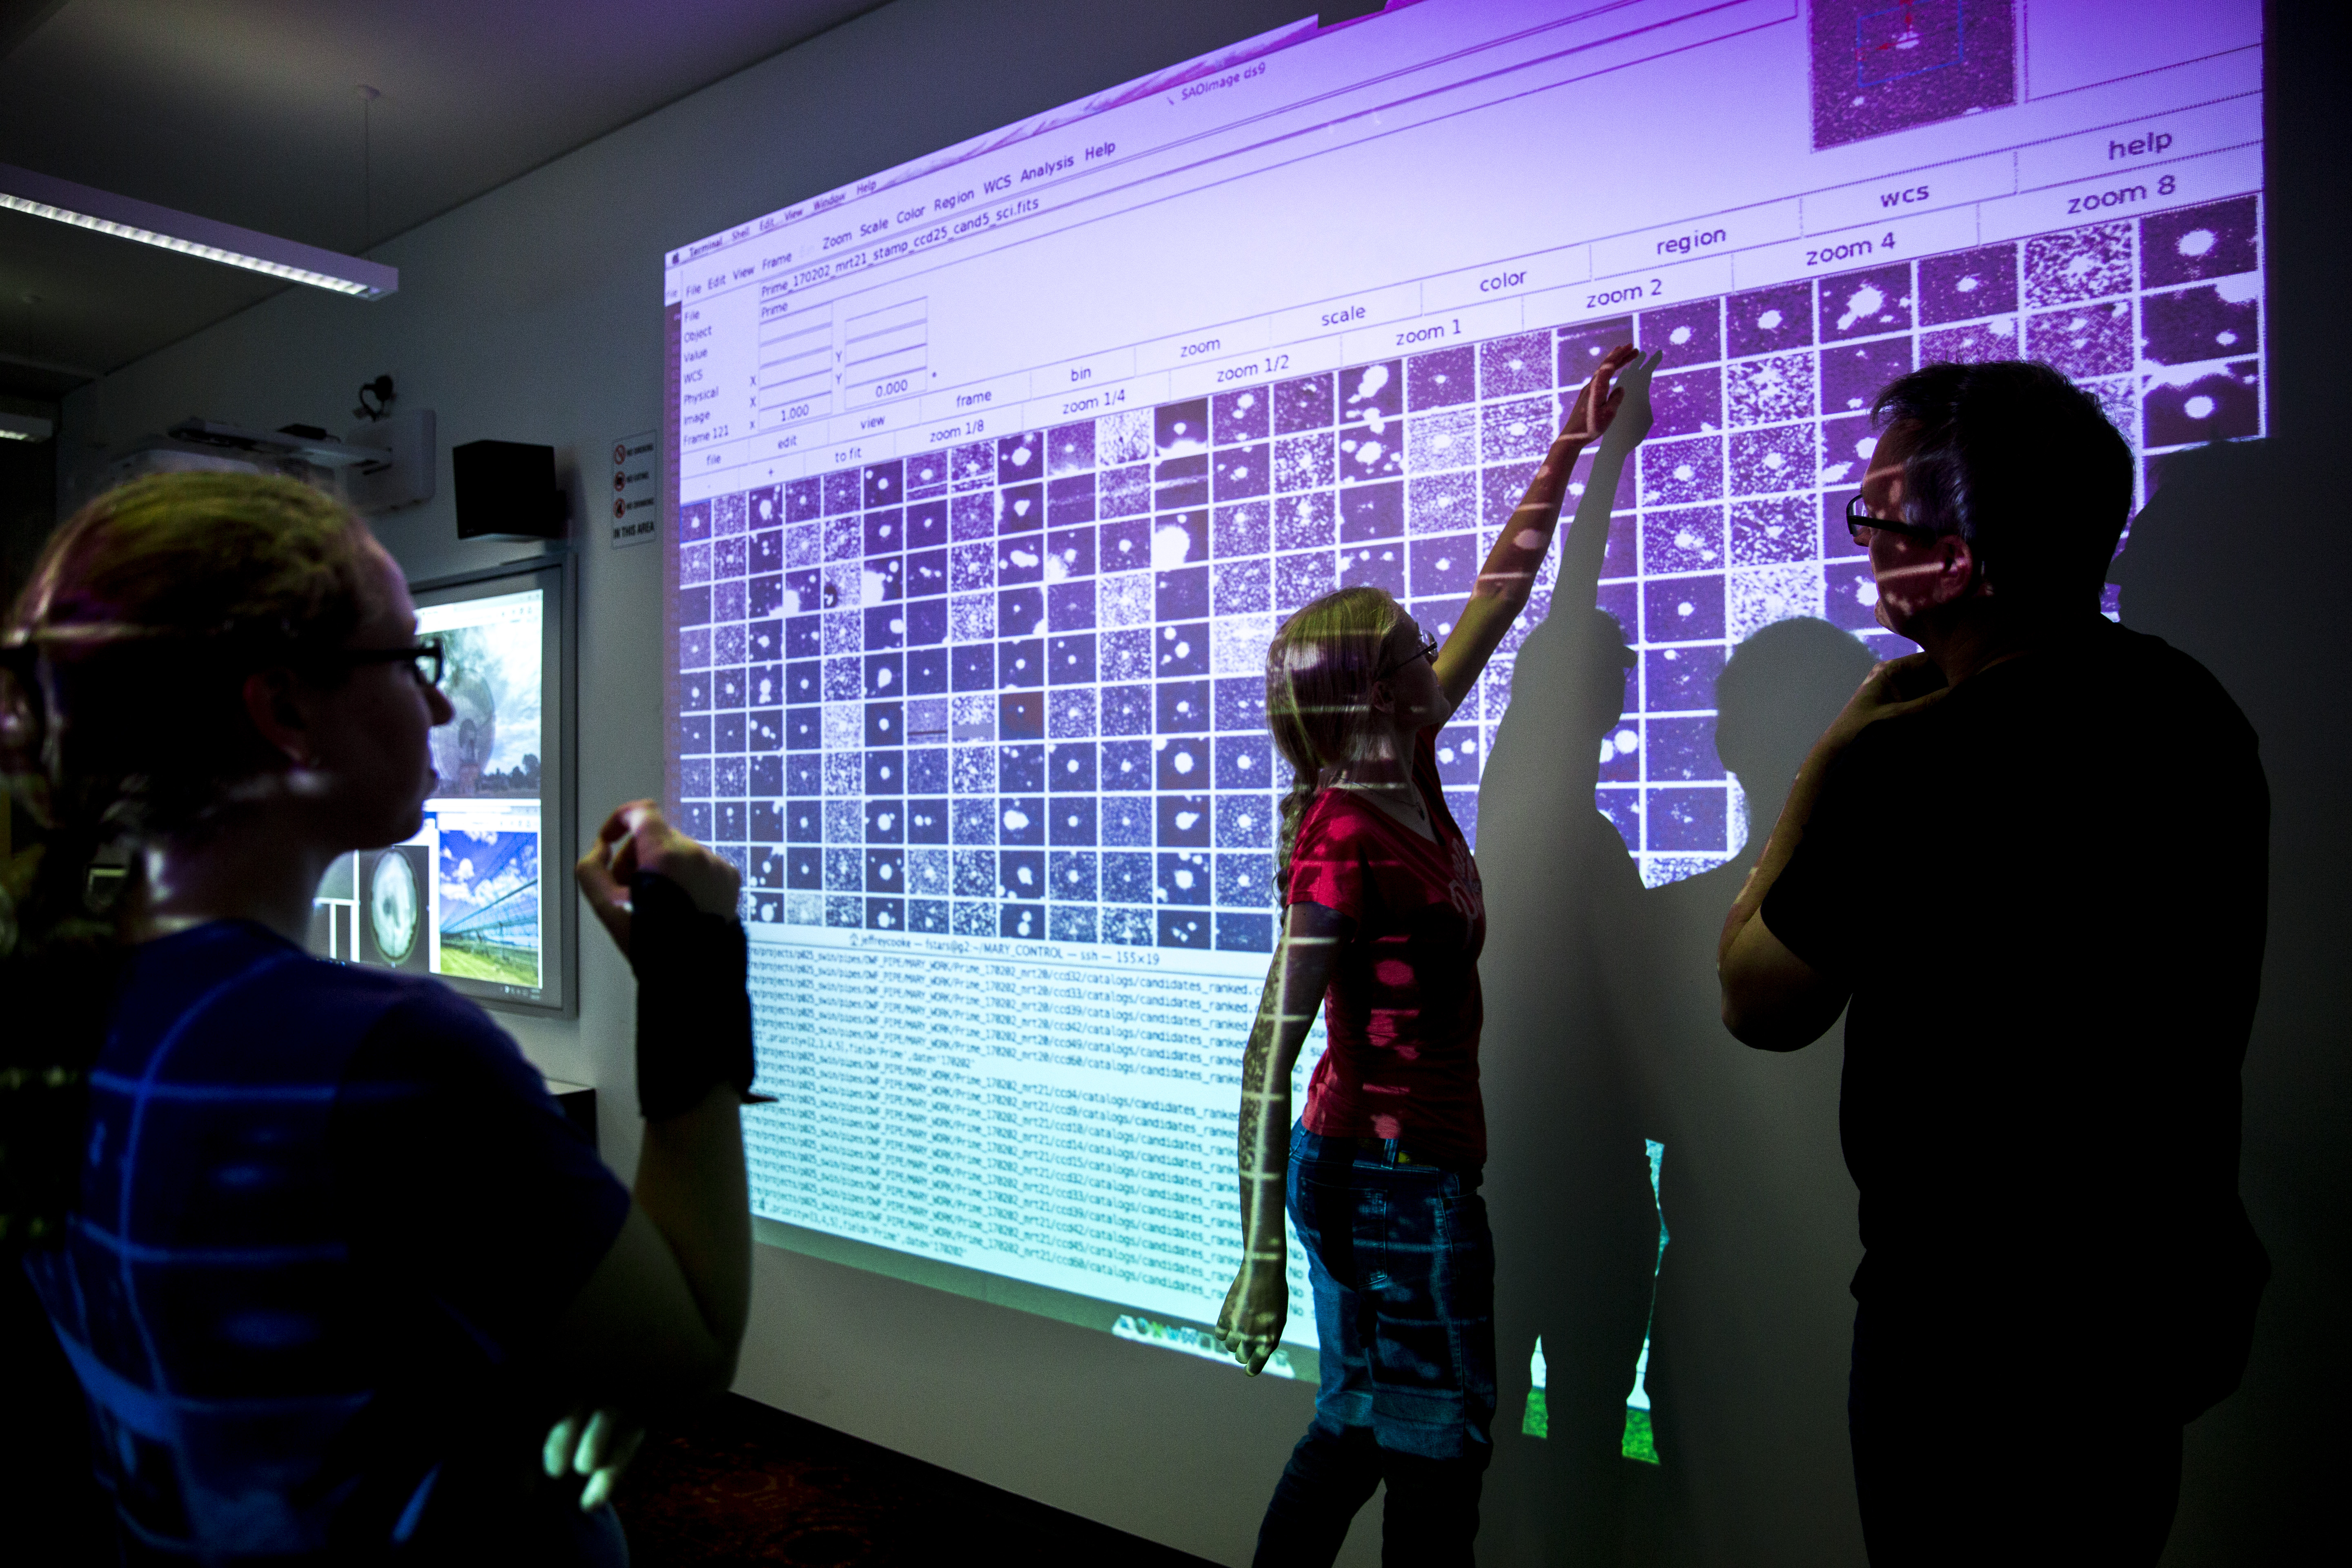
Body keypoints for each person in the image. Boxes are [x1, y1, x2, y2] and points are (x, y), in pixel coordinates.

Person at [0, 472, 757, 1562]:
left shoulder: (58, 1004)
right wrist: (689, 970)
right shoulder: (385, 1055)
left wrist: (538, 1367)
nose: (441, 707)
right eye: (412, 662)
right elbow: (688, 1352)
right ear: (287, 711)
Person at [1716, 361, 2269, 1565]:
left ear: (1954, 561)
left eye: (1876, 517)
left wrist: (1825, 759)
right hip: (2149, 1317)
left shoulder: (1914, 762)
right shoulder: (2195, 710)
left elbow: (1756, 998)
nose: (1863, 541)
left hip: (1965, 1342)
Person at [1213, 343, 1655, 1566]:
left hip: (1405, 1166)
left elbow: (1505, 597)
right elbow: (1268, 1051)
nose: (1439, 650)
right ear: (1374, 694)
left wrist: (1577, 452)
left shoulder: (1402, 765)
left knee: (1375, 1428)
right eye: (1414, 647)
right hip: (1384, 1176)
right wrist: (1258, 1267)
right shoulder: (1343, 843)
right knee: (1434, 1444)